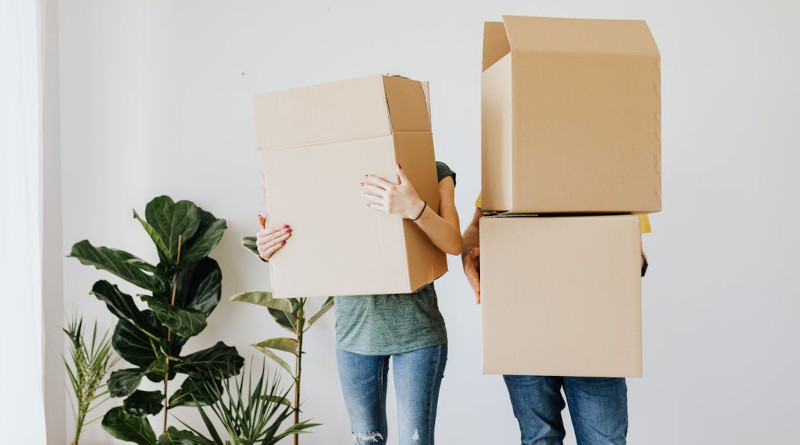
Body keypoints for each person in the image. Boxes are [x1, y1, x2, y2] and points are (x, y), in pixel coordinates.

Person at [256, 162, 461, 445]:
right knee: (366, 440)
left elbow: (454, 243)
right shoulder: (327, 172)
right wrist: (272, 246)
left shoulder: (433, 170)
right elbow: (306, 239)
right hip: (355, 336)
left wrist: (415, 209)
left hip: (418, 334)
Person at [461, 195, 649, 445]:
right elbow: (477, 225)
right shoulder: (513, 161)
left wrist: (627, 262)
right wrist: (468, 258)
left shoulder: (611, 164)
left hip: (593, 328)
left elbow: (629, 234)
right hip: (523, 321)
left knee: (605, 440)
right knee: (539, 438)